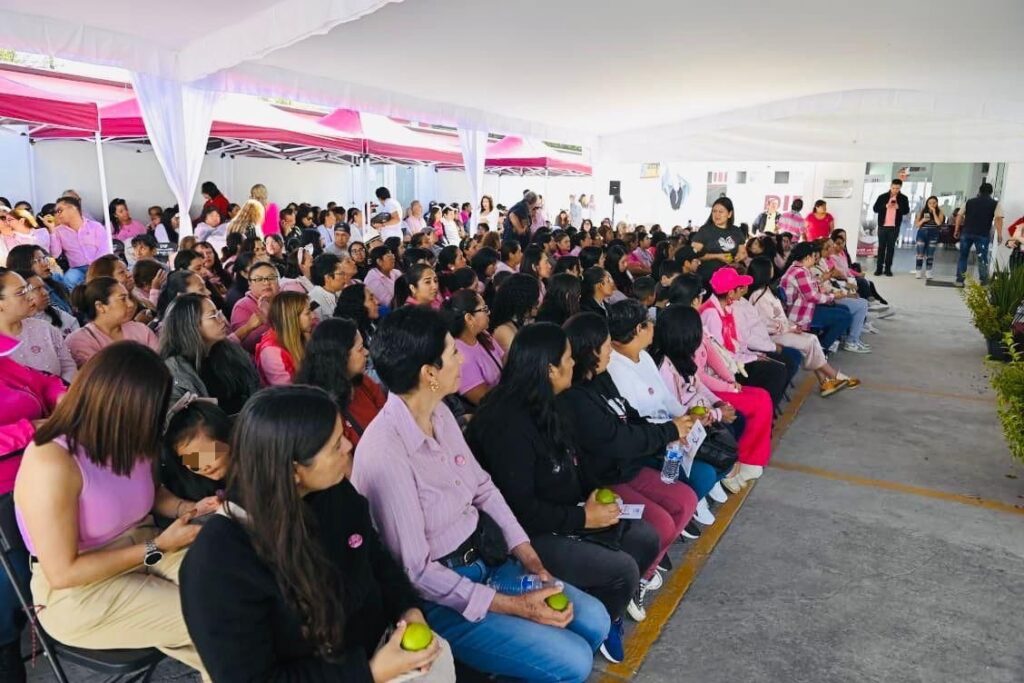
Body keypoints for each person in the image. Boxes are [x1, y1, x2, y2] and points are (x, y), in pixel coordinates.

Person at [351, 306, 610, 681]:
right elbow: (417, 572)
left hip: (489, 558)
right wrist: (514, 606)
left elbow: (483, 488)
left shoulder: (439, 414)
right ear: (429, 374)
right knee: (574, 660)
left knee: (594, 620)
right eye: (452, 353)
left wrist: (526, 552)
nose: (462, 359)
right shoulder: (385, 453)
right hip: (443, 595)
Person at [180, 385, 453, 682]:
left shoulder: (332, 490)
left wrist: (407, 608)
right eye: (335, 445)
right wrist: (368, 672)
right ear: (293, 470)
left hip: (390, 650)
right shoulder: (217, 566)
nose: (348, 447)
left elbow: (374, 557)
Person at [14, 343, 214, 680]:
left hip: (147, 550)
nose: (155, 420)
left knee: (237, 588)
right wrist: (158, 546)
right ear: (119, 407)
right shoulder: (51, 460)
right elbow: (64, 573)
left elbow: (151, 493)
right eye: (151, 411)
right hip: (80, 592)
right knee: (214, 620)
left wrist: (188, 508)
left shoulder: (130, 436)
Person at [466, 322, 659, 663]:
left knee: (644, 537)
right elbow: (520, 509)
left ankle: (604, 608)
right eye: (568, 358)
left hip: (566, 511)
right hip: (527, 535)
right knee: (622, 570)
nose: (573, 364)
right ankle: (598, 622)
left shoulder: (553, 402)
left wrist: (596, 495)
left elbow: (575, 463)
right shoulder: (505, 424)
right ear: (549, 369)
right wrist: (583, 518)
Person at [559, 312, 699, 618]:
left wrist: (671, 430)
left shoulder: (602, 377)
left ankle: (643, 573)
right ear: (591, 351)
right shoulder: (575, 398)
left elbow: (629, 416)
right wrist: (667, 431)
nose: (612, 350)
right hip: (602, 478)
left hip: (627, 465)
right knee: (660, 524)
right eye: (607, 345)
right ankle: (631, 580)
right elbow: (616, 439)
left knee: (686, 500)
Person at [604, 299, 726, 520]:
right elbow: (636, 422)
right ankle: (684, 507)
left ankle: (690, 503)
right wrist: (674, 429)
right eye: (649, 323)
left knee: (724, 450)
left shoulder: (643, 356)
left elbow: (666, 398)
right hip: (650, 444)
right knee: (704, 473)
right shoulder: (615, 368)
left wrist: (686, 416)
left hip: (670, 431)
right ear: (638, 329)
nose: (654, 327)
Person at [661, 276, 774, 493]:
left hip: (705, 395)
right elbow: (694, 383)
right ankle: (734, 465)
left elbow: (710, 356)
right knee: (746, 411)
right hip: (697, 404)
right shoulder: (683, 329)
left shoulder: (692, 322)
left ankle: (747, 461)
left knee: (761, 396)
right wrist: (720, 403)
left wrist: (730, 381)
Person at [0, 332, 65, 680]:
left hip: (45, 464)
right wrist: (30, 429)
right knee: (19, 569)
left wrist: (61, 397)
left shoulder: (6, 362)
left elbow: (42, 382)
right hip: (8, 488)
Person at [746, 258, 858, 397]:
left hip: (782, 330)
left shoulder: (766, 290)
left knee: (812, 339)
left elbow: (779, 318)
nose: (773, 269)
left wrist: (792, 326)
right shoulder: (758, 296)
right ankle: (833, 375)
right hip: (771, 336)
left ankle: (825, 383)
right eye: (770, 267)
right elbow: (769, 325)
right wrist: (791, 328)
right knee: (809, 342)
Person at [700, 268, 792, 408]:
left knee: (784, 363)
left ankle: (766, 408)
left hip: (737, 359)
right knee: (777, 372)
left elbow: (737, 342)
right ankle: (765, 409)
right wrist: (752, 357)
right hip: (726, 369)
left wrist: (754, 355)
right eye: (739, 288)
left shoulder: (727, 307)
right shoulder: (711, 314)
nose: (743, 290)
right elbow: (721, 354)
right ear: (731, 293)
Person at [294, 317, 386, 446]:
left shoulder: (361, 381)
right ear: (340, 357)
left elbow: (385, 411)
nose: (366, 352)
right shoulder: (324, 411)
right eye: (360, 349)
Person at [158, 398, 230, 524]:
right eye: (194, 461)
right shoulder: (188, 489)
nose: (204, 466)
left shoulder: (257, 472)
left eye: (208, 454)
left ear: (230, 438)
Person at [160, 293, 240, 403]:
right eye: (213, 316)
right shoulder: (175, 371)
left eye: (219, 313)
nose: (222, 320)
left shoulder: (227, 350)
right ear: (190, 325)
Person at [780, 243, 856, 354]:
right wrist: (833, 296)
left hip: (804, 308)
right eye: (814, 257)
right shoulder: (800, 272)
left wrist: (821, 280)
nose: (815, 260)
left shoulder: (797, 268)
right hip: (801, 314)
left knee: (844, 309)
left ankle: (824, 342)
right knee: (845, 317)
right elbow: (811, 296)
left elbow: (808, 287)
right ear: (807, 257)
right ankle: (821, 348)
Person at [0, 268, 75, 382]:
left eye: (27, 289)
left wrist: (63, 391)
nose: (30, 297)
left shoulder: (45, 328)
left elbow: (68, 367)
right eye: (20, 293)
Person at [67, 277, 159, 367]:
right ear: (100, 306)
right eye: (123, 299)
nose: (130, 304)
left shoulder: (140, 329)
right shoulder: (80, 341)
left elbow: (160, 361)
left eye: (129, 298)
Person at [443, 289, 504, 407]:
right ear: (469, 318)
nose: (488, 312)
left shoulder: (483, 335)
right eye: (484, 309)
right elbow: (484, 399)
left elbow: (506, 362)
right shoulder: (459, 353)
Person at [48, 196, 112, 288]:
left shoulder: (95, 226)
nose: (57, 215)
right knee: (70, 278)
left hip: (100, 265)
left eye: (59, 211)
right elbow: (55, 254)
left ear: (73, 208)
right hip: (77, 269)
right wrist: (52, 230)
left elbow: (104, 249)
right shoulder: (58, 231)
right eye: (56, 212)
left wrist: (94, 268)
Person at [255, 291, 314, 386]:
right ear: (292, 317)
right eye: (307, 313)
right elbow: (289, 392)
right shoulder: (271, 352)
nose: (313, 316)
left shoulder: (302, 335)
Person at [955, 182, 1004, 286]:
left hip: (967, 232)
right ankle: (983, 281)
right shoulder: (995, 204)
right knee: (982, 258)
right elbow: (998, 219)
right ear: (991, 192)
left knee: (963, 256)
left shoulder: (969, 202)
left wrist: (956, 229)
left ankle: (960, 280)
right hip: (982, 234)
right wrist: (999, 234)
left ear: (979, 191)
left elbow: (959, 215)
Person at [690, 197, 746, 281]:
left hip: (728, 277)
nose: (717, 215)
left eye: (721, 211)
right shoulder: (705, 230)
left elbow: (743, 252)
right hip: (708, 276)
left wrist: (740, 256)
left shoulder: (736, 231)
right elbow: (693, 253)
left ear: (729, 214)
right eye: (714, 211)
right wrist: (717, 256)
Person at [5, 245, 72, 314]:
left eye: (44, 258)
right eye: (38, 261)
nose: (45, 264)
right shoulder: (25, 298)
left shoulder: (56, 279)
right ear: (23, 265)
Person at [230, 260, 279, 353]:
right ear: (249, 284)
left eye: (271, 277)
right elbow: (246, 344)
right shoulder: (242, 306)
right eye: (259, 279)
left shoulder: (285, 299)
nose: (266, 282)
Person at [489, 272, 541, 353]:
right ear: (522, 302)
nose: (538, 304)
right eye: (535, 302)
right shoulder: (504, 330)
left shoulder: (519, 322)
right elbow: (522, 357)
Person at [872, 178, 910, 277]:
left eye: (897, 188)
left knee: (891, 248)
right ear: (890, 186)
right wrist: (885, 206)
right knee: (881, 248)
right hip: (882, 226)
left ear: (900, 188)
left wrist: (898, 207)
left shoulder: (903, 198)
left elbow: (906, 211)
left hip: (894, 227)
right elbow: (875, 209)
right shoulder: (882, 197)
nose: (895, 190)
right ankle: (879, 268)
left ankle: (888, 269)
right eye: (893, 188)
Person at [308, 254, 355, 320]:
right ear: (328, 277)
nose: (345, 277)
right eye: (341, 274)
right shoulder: (314, 302)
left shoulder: (339, 292)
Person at [911, 196, 945, 279]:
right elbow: (916, 225)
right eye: (930, 203)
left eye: (934, 203)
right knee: (920, 254)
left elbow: (939, 223)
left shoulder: (939, 212)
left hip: (933, 234)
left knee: (930, 254)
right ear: (927, 203)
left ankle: (928, 272)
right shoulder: (922, 211)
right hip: (922, 233)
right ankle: (918, 271)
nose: (932, 204)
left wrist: (934, 212)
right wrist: (923, 220)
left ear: (937, 203)